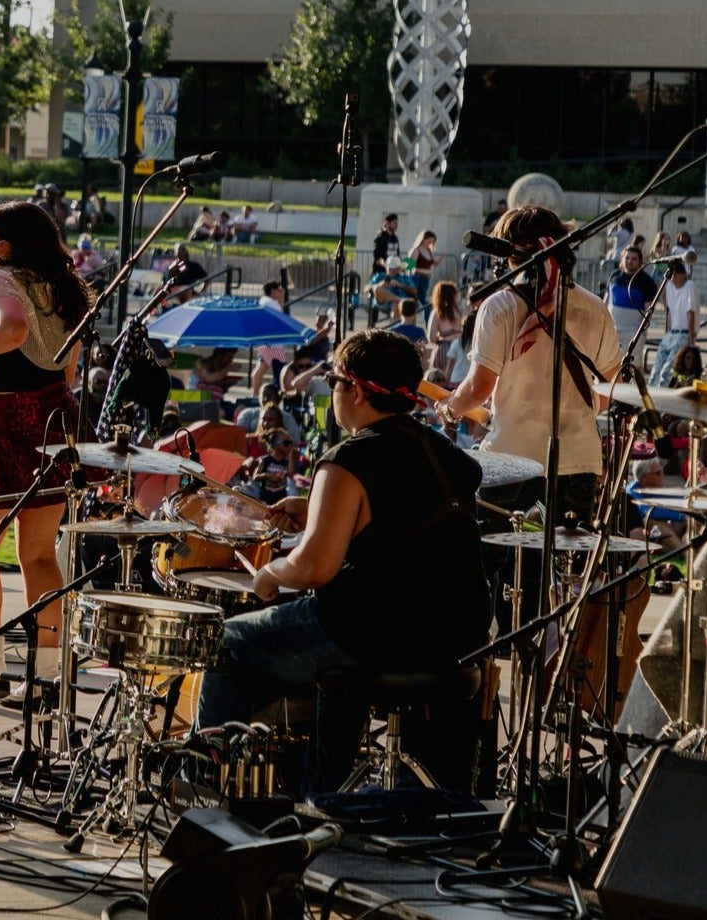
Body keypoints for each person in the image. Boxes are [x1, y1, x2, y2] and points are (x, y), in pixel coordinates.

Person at [196, 330, 491, 791]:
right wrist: (313, 505)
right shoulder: (449, 456)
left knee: (226, 641)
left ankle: (208, 788)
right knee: (341, 639)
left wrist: (270, 574)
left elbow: (314, 568)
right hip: (454, 634)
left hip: (379, 632)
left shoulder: (348, 458)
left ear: (354, 389)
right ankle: (322, 786)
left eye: (334, 381)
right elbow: (395, 521)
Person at [0, 201, 91, 707]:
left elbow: (12, 330)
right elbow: (66, 369)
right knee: (38, 555)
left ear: (4, 244)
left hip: (8, 420)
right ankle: (46, 679)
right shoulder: (63, 286)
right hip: (55, 420)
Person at [444, 203, 621, 533]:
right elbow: (610, 389)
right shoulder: (596, 308)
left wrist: (451, 409)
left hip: (512, 458)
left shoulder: (500, 306)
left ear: (509, 254)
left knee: (502, 569)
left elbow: (480, 386)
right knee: (563, 573)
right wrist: (571, 412)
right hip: (578, 458)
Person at [649, 259, 696, 387]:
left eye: (675, 274)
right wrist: (667, 333)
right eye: (671, 275)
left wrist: (691, 340)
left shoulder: (689, 286)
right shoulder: (669, 286)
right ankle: (649, 399)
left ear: (682, 275)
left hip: (683, 333)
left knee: (666, 371)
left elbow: (690, 313)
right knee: (656, 369)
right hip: (671, 333)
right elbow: (669, 312)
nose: (673, 278)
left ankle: (660, 401)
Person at [606, 246, 658, 352]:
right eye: (627, 258)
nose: (629, 261)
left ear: (640, 262)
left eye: (634, 259)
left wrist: (639, 331)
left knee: (632, 366)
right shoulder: (614, 276)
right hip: (612, 330)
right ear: (622, 259)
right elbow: (606, 301)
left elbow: (649, 309)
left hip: (632, 332)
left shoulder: (647, 281)